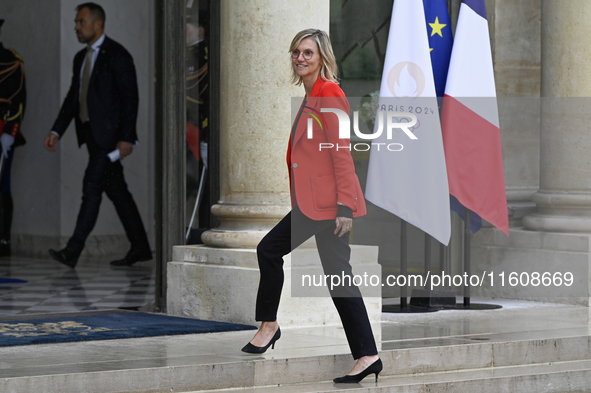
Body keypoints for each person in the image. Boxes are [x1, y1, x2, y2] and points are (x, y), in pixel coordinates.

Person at [241, 29, 382, 384]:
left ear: (322, 58)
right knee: (338, 277)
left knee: (268, 250)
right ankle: (367, 354)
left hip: (325, 207)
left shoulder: (329, 94)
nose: (300, 58)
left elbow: (341, 152)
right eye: (296, 52)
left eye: (308, 53)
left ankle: (270, 325)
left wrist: (345, 207)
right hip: (317, 204)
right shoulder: (311, 96)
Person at [44, 3, 151, 268]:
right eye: (76, 22)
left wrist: (127, 137)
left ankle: (73, 250)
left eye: (81, 22)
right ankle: (140, 247)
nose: (76, 27)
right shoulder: (81, 58)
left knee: (91, 188)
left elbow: (130, 99)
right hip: (91, 138)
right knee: (118, 192)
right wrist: (57, 129)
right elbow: (73, 98)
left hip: (111, 141)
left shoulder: (118, 55)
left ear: (98, 24)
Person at [0, 18, 27, 257]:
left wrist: (9, 133)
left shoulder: (11, 61)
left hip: (1, 131)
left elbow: (18, 101)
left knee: (2, 185)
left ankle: (3, 239)